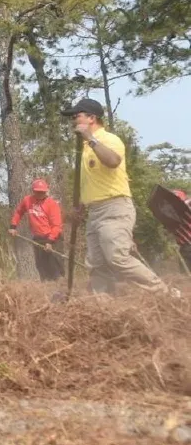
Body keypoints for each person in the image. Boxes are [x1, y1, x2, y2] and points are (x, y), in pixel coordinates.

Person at [63, 98, 176, 297]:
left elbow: (113, 161)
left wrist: (90, 138)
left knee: (117, 257)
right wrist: (80, 206)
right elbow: (90, 182)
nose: (73, 119)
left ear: (91, 118)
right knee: (96, 264)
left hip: (114, 207)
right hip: (94, 212)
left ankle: (164, 293)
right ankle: (104, 305)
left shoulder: (107, 140)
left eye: (77, 115)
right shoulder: (86, 149)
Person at [9, 179, 65, 281]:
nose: (40, 194)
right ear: (33, 191)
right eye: (37, 192)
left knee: (55, 269)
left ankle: (61, 288)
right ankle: (45, 290)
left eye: (42, 192)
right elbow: (18, 212)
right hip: (38, 239)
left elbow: (57, 226)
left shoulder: (52, 204)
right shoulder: (27, 200)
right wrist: (13, 226)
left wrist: (50, 242)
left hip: (53, 239)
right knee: (42, 268)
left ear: (46, 191)